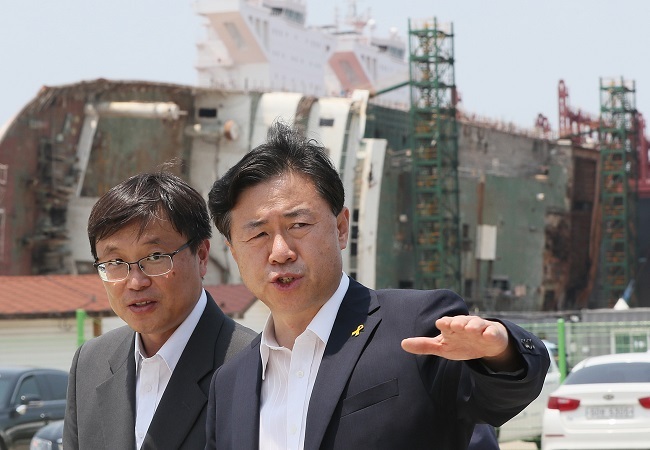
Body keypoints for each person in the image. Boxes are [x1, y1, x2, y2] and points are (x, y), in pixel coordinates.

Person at [205, 122, 550, 449]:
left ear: (341, 228)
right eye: (259, 234)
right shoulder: (229, 384)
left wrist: (500, 354)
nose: (280, 252)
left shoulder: (414, 326)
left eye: (298, 225)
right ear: (234, 251)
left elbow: (494, 396)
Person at [63, 171, 256, 450]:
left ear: (201, 256)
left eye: (155, 257)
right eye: (115, 261)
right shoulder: (90, 363)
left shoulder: (252, 364)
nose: (136, 282)